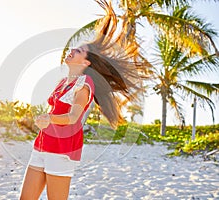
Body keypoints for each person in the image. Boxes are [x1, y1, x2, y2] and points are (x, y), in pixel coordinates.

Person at [19, 0, 145, 199]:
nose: (71, 50)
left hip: (61, 151)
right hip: (42, 144)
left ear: (85, 62)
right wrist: (43, 119)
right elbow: (55, 113)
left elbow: (73, 117)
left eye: (77, 51)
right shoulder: (63, 82)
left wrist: (50, 119)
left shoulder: (84, 84)